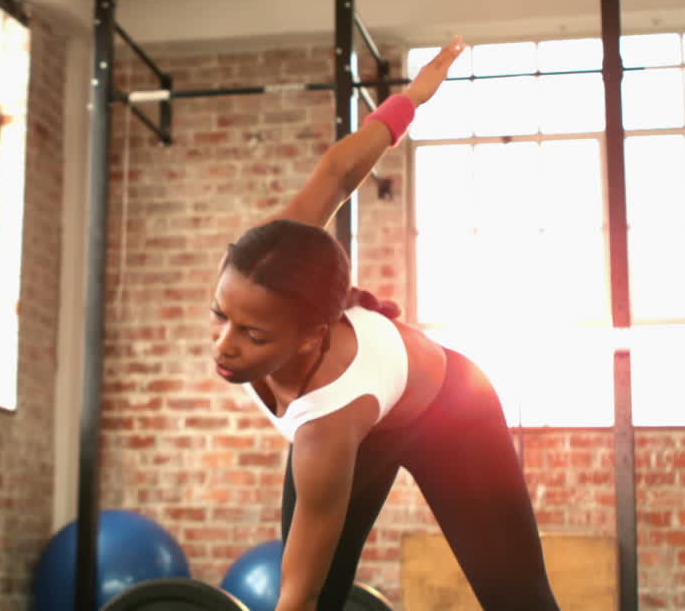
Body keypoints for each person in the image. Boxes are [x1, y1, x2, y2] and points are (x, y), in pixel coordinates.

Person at [209, 37, 561, 611]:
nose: (224, 347)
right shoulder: (272, 263)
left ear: (310, 334)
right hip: (367, 420)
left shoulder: (325, 422)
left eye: (254, 335)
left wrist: (422, 97)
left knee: (519, 599)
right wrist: (411, 98)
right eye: (221, 317)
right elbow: (340, 169)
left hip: (452, 413)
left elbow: (291, 596)